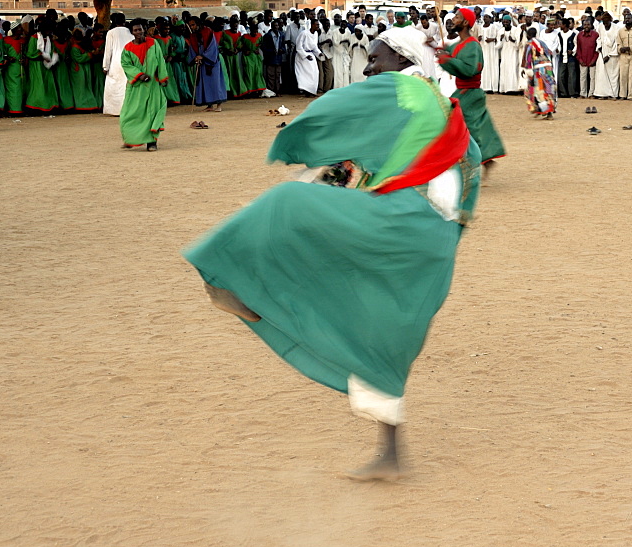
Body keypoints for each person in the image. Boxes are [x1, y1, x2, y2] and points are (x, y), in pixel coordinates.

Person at [182, 29, 481, 482]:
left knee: (285, 204)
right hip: (424, 248)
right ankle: (391, 456)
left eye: (375, 59)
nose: (368, 69)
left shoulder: (404, 89)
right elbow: (464, 183)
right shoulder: (443, 115)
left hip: (399, 228)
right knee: (377, 337)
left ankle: (231, 285)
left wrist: (297, 142)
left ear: (401, 61)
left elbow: (330, 111)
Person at [437, 7, 505, 164]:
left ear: (466, 22)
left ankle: (471, 159)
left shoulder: (472, 45)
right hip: (462, 91)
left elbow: (469, 69)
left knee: (460, 125)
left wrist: (446, 59)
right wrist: (440, 52)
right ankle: (481, 159)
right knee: (470, 126)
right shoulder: (458, 44)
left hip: (470, 92)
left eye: (457, 18)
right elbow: (451, 58)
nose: (453, 20)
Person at [119, 19, 167, 151]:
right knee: (130, 113)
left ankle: (151, 143)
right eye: (136, 30)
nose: (139, 32)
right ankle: (131, 139)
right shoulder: (127, 48)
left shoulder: (153, 43)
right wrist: (140, 75)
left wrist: (163, 77)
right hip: (136, 87)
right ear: (132, 32)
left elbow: (160, 61)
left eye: (140, 29)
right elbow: (126, 65)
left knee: (152, 112)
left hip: (153, 85)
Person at [187, 17, 227, 112]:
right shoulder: (193, 35)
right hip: (202, 63)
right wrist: (196, 57)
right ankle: (210, 105)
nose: (191, 27)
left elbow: (212, 46)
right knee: (205, 84)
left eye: (193, 24)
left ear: (198, 23)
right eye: (190, 25)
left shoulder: (207, 31)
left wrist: (204, 56)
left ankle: (219, 105)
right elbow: (193, 48)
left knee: (215, 83)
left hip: (211, 61)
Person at [25, 19, 60, 113]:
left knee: (48, 85)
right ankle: (35, 107)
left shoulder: (49, 39)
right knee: (38, 86)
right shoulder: (34, 37)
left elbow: (52, 50)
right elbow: (30, 53)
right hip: (36, 65)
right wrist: (41, 56)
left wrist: (53, 57)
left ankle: (49, 105)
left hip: (47, 66)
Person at [522, 27, 556, 118]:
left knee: (537, 90)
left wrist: (527, 71)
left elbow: (528, 60)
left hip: (538, 70)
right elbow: (549, 54)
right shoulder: (542, 43)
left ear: (527, 35)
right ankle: (544, 110)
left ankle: (542, 110)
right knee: (548, 89)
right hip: (548, 68)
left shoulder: (529, 44)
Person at [103, 13, 132, 115]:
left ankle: (115, 110)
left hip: (115, 62)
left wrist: (105, 66)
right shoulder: (130, 32)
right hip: (128, 61)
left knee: (114, 86)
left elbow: (108, 50)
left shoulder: (111, 33)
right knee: (126, 86)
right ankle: (128, 109)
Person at [615, 13, 632, 100]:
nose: (627, 20)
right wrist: (621, 49)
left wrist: (630, 48)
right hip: (623, 56)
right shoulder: (620, 31)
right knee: (623, 76)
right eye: (626, 18)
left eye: (629, 18)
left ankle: (630, 95)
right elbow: (618, 43)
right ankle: (622, 95)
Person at [295, 18, 322, 95]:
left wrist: (319, 53)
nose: (318, 26)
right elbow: (299, 47)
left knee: (314, 72)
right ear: (312, 25)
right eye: (316, 25)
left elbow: (314, 47)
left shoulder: (315, 34)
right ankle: (306, 90)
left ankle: (312, 90)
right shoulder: (304, 33)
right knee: (305, 74)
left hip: (311, 56)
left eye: (318, 25)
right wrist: (305, 55)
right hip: (302, 56)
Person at [497, 15, 522, 93]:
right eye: (504, 22)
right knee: (504, 69)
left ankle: (513, 88)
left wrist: (513, 40)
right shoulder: (500, 31)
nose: (505, 23)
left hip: (513, 53)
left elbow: (518, 44)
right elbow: (498, 46)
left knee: (513, 69)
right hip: (504, 53)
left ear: (510, 22)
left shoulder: (515, 30)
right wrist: (500, 40)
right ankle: (504, 89)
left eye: (506, 22)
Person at [555, 17, 578, 97]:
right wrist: (558, 50)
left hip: (571, 58)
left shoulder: (573, 34)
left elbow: (576, 45)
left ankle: (572, 93)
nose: (559, 25)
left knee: (571, 75)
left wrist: (572, 51)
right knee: (561, 75)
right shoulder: (559, 34)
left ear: (564, 25)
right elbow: (558, 44)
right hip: (562, 57)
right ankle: (563, 93)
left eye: (560, 24)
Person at [261, 19, 284, 94]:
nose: (276, 27)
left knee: (278, 75)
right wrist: (271, 51)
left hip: (278, 58)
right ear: (272, 27)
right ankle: (271, 90)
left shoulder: (281, 35)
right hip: (270, 58)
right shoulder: (267, 36)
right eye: (274, 26)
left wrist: (282, 50)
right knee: (270, 75)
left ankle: (277, 90)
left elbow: (284, 46)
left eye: (277, 25)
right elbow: (264, 47)